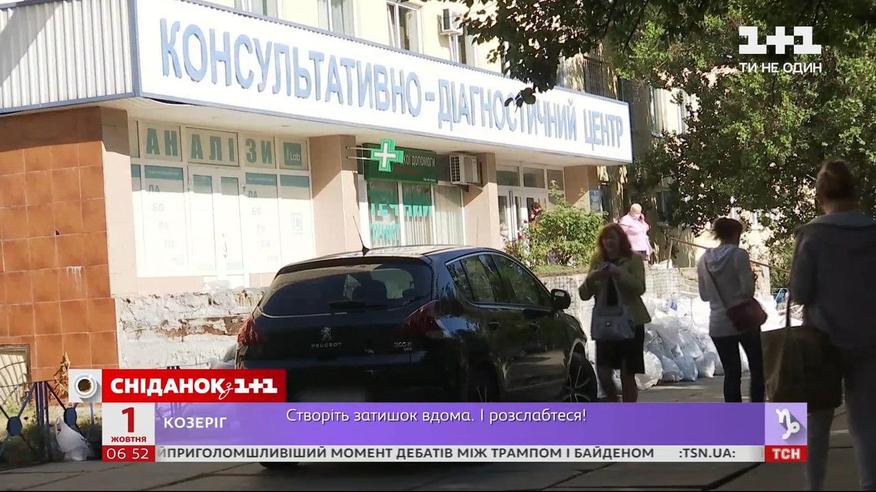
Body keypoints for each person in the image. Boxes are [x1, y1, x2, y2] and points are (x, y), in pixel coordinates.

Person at [791, 160, 876, 491]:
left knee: (816, 422)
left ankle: (815, 487)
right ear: (854, 191)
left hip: (821, 342)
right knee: (866, 421)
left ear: (820, 195)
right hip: (869, 338)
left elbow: (800, 292)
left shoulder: (812, 236)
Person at [579, 224, 651, 402]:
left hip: (631, 323)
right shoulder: (597, 260)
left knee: (627, 373)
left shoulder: (633, 259)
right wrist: (591, 279)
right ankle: (613, 403)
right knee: (603, 373)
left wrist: (619, 274)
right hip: (605, 324)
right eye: (605, 238)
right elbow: (584, 294)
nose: (608, 242)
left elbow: (639, 287)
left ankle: (627, 413)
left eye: (612, 237)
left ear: (621, 240)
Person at [696, 217, 765, 403]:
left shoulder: (703, 260)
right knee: (757, 368)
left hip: (718, 324)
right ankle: (757, 412)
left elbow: (704, 295)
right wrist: (750, 279)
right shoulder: (739, 255)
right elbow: (747, 291)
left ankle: (734, 416)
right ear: (736, 234)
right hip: (744, 321)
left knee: (731, 373)